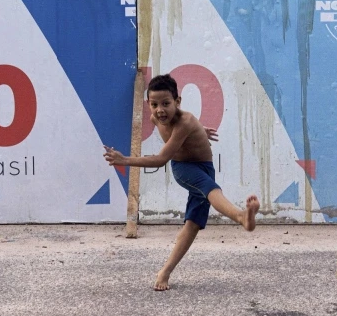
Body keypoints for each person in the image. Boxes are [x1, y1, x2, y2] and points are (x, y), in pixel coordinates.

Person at [103, 74, 260, 291]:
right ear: (149, 104)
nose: (160, 110)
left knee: (192, 225)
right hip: (184, 169)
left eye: (166, 104)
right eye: (155, 104)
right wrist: (125, 160)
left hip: (204, 167)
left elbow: (172, 143)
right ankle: (241, 216)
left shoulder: (185, 121)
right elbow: (163, 158)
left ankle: (164, 272)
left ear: (178, 102)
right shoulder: (155, 119)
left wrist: (198, 130)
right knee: (210, 190)